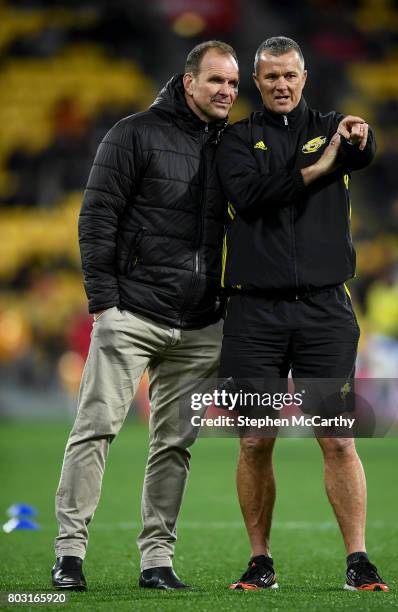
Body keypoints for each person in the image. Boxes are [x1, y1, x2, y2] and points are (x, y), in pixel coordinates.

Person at [51, 40, 239, 591]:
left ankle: (156, 560)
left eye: (232, 84)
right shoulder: (133, 133)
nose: (227, 92)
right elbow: (96, 217)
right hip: (132, 312)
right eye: (215, 81)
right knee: (96, 428)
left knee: (175, 445)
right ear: (189, 83)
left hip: (202, 321)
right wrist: (105, 303)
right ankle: (68, 554)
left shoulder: (233, 145)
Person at [216, 36, 389, 592]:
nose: (282, 85)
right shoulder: (236, 139)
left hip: (324, 310)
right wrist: (321, 167)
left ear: (304, 75)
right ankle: (260, 559)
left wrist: (358, 137)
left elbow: (361, 151)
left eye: (290, 75)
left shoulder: (333, 127)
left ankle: (358, 559)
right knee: (254, 440)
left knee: (338, 439)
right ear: (257, 83)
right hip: (253, 312)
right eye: (270, 78)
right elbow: (251, 195)